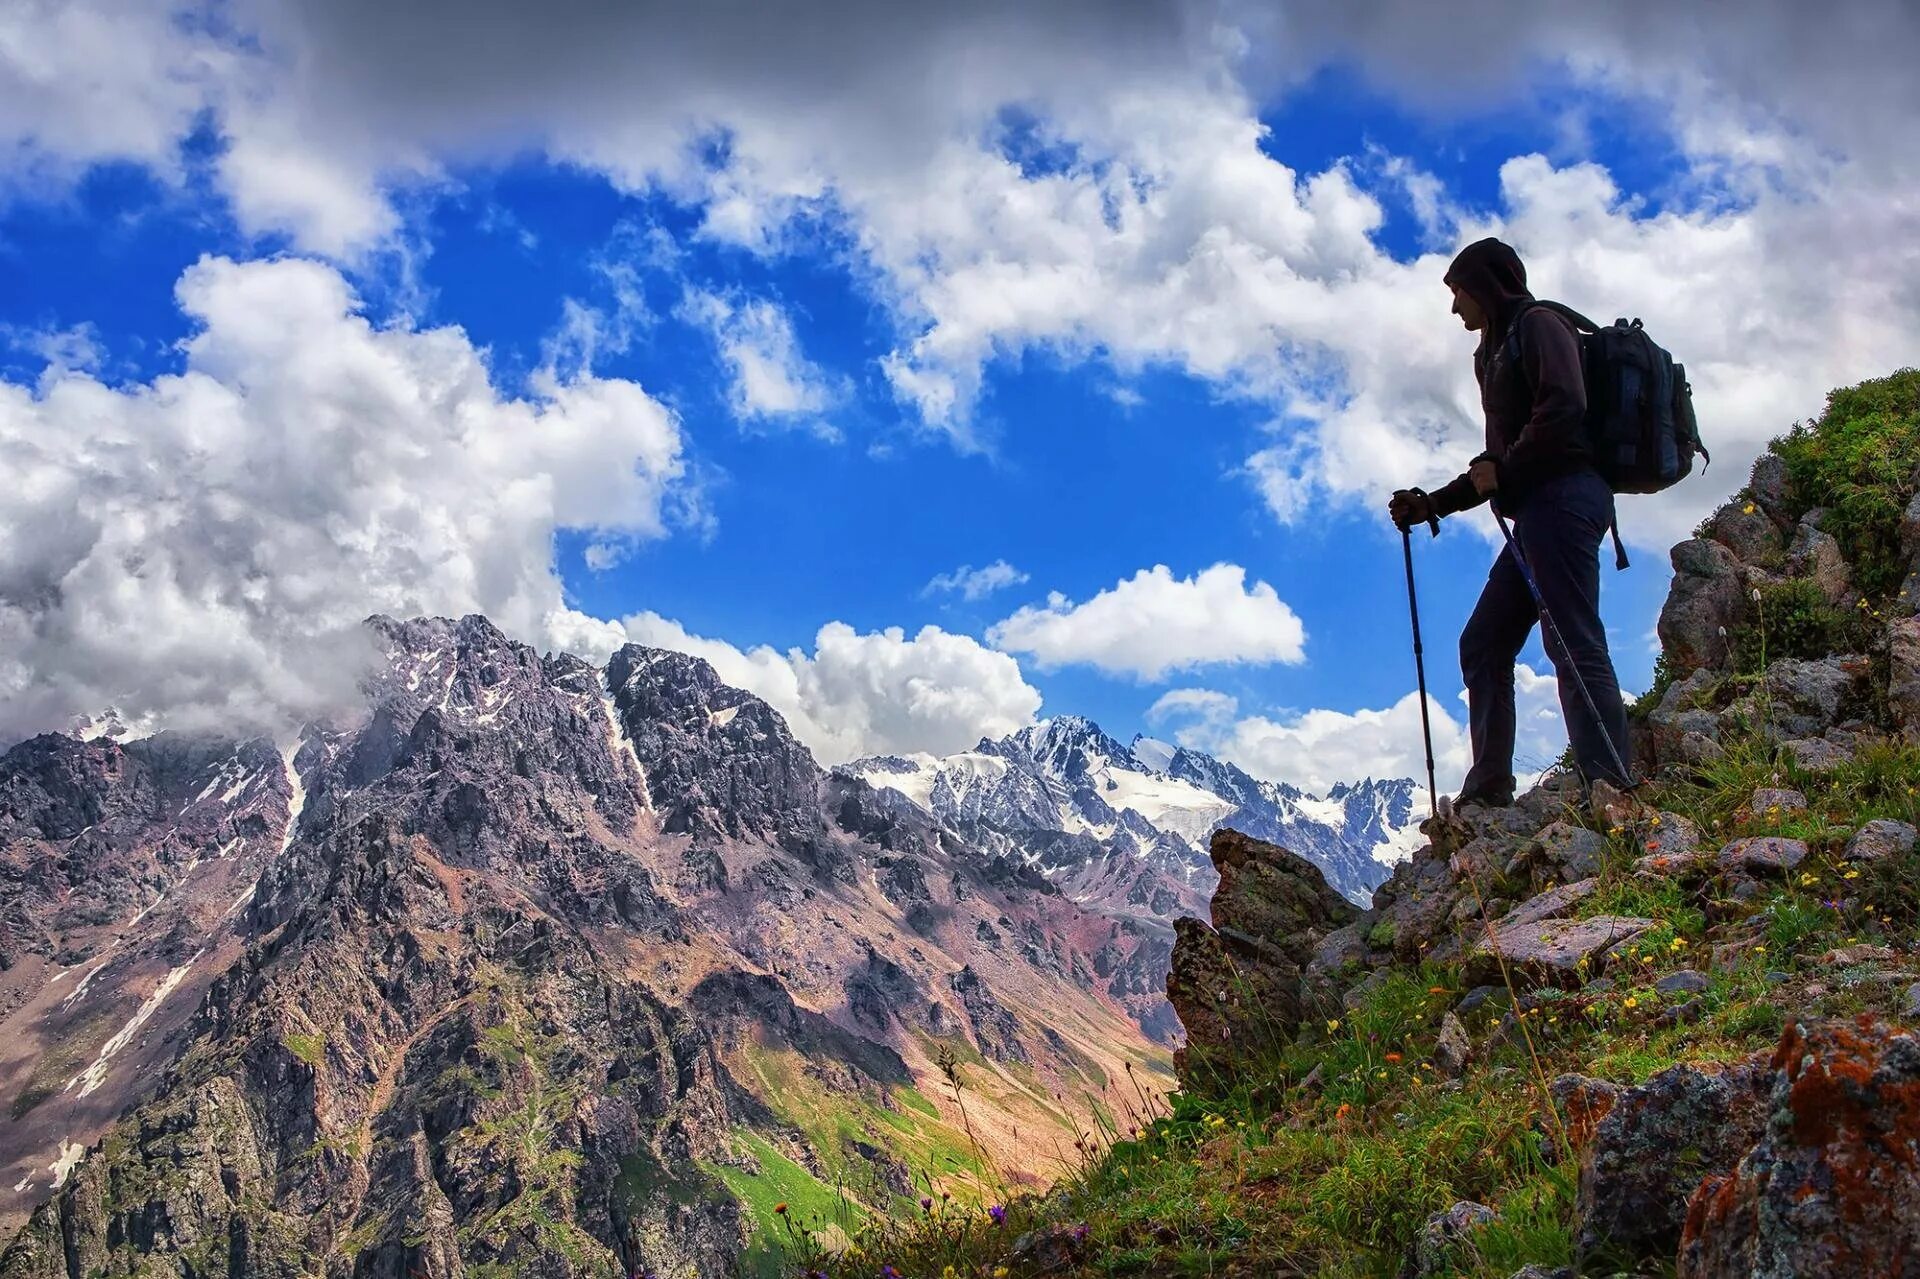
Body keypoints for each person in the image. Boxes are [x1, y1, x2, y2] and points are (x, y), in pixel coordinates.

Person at [1389, 237, 1632, 808]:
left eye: (1458, 293)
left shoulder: (1540, 325)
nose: (1455, 308)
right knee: (1485, 642)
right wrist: (1434, 504)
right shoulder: (1492, 352)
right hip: (1539, 511)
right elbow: (1494, 461)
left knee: (1571, 638)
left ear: (1486, 287)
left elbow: (1564, 407)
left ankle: (1612, 783)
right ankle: (1490, 786)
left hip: (1568, 499)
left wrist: (1505, 466)